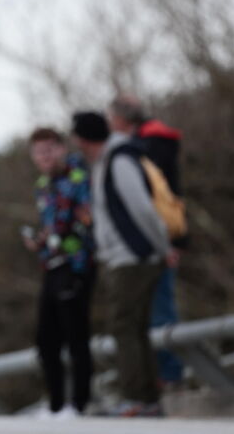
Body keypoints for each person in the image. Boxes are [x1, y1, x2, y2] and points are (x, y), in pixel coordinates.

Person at [72, 111, 176, 417]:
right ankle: (148, 398)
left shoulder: (118, 161)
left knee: (125, 325)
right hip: (123, 257)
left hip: (133, 258)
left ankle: (138, 398)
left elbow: (142, 209)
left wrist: (162, 247)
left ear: (85, 139)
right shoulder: (106, 161)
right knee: (134, 327)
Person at [108, 95, 185, 386]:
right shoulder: (152, 142)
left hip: (155, 240)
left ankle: (168, 375)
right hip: (159, 237)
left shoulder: (146, 146)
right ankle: (164, 375)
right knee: (154, 309)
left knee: (158, 309)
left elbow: (148, 201)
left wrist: (166, 244)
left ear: (121, 119)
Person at [25, 128, 95, 418]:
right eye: (39, 152)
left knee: (76, 336)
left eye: (50, 149)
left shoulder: (80, 178)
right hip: (51, 266)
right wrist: (39, 241)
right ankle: (56, 404)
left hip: (77, 265)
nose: (45, 157)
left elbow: (88, 223)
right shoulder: (43, 186)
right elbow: (53, 227)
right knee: (46, 339)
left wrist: (63, 239)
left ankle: (79, 404)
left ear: (62, 149)